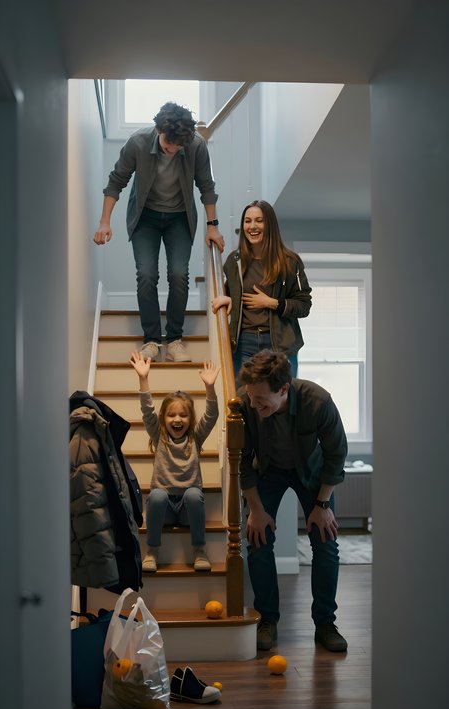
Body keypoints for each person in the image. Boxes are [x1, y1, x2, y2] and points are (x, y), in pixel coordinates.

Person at [94, 102, 224, 363]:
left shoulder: (196, 145)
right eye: (168, 146)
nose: (173, 151)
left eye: (179, 147)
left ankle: (175, 340)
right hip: (146, 218)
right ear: (158, 129)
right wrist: (104, 222)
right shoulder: (138, 142)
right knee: (146, 275)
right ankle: (152, 340)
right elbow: (117, 180)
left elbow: (206, 187)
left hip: (180, 218)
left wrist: (213, 227)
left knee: (178, 274)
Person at [238, 349, 348, 653]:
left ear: (283, 389)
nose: (253, 404)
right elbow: (243, 460)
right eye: (250, 397)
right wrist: (256, 510)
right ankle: (267, 620)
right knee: (258, 539)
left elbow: (336, 454)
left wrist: (322, 505)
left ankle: (325, 623)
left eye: (261, 400)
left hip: (311, 473)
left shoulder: (318, 401)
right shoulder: (245, 404)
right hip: (269, 471)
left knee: (325, 542)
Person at [130, 350, 220, 572]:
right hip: (165, 511)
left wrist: (210, 388)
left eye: (183, 415)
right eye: (171, 415)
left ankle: (199, 550)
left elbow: (211, 417)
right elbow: (147, 411)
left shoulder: (195, 438)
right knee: (157, 495)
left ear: (190, 419)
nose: (177, 419)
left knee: (193, 493)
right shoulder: (159, 436)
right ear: (163, 419)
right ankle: (152, 551)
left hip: (189, 510)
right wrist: (143, 379)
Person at [211, 200, 311, 380]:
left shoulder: (290, 262)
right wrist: (230, 299)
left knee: (282, 401)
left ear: (269, 224)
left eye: (259, 220)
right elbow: (232, 292)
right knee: (244, 402)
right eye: (247, 221)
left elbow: (304, 306)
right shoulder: (234, 261)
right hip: (243, 343)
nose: (252, 226)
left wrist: (272, 303)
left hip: (280, 345)